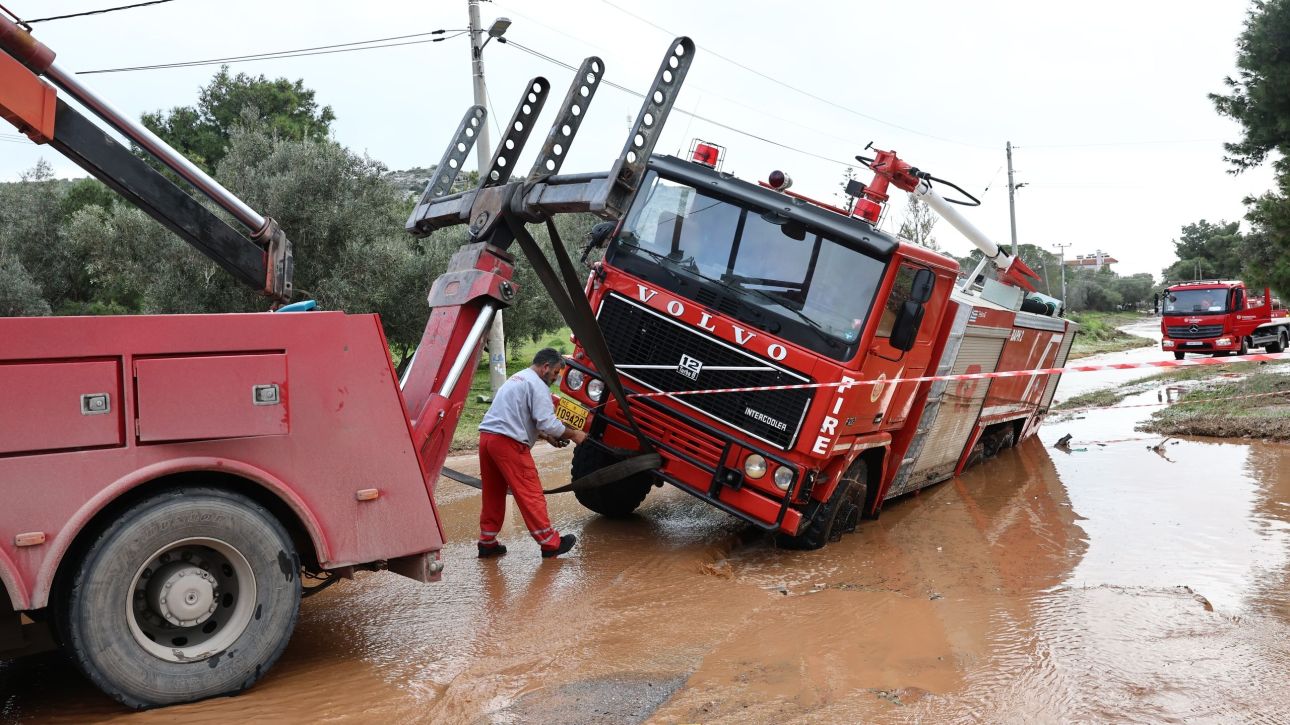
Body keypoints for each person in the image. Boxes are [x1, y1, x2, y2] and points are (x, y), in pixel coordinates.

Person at [477, 348, 587, 559]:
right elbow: (548, 422)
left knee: (493, 492)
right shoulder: (537, 385)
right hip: (508, 443)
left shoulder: (517, 378)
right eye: (555, 373)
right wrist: (575, 435)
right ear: (546, 367)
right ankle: (550, 543)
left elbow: (521, 416)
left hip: (487, 439)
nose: (555, 378)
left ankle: (487, 542)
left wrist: (545, 437)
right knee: (531, 492)